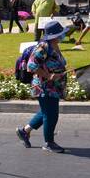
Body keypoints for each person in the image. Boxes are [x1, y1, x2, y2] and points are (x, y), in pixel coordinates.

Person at [16, 19, 69, 153]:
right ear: (54, 35)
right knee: (51, 115)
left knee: (46, 113)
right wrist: (49, 76)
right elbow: (31, 66)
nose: (63, 36)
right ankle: (49, 143)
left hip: (53, 86)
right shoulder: (44, 47)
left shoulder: (54, 45)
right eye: (60, 34)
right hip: (44, 86)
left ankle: (24, 131)